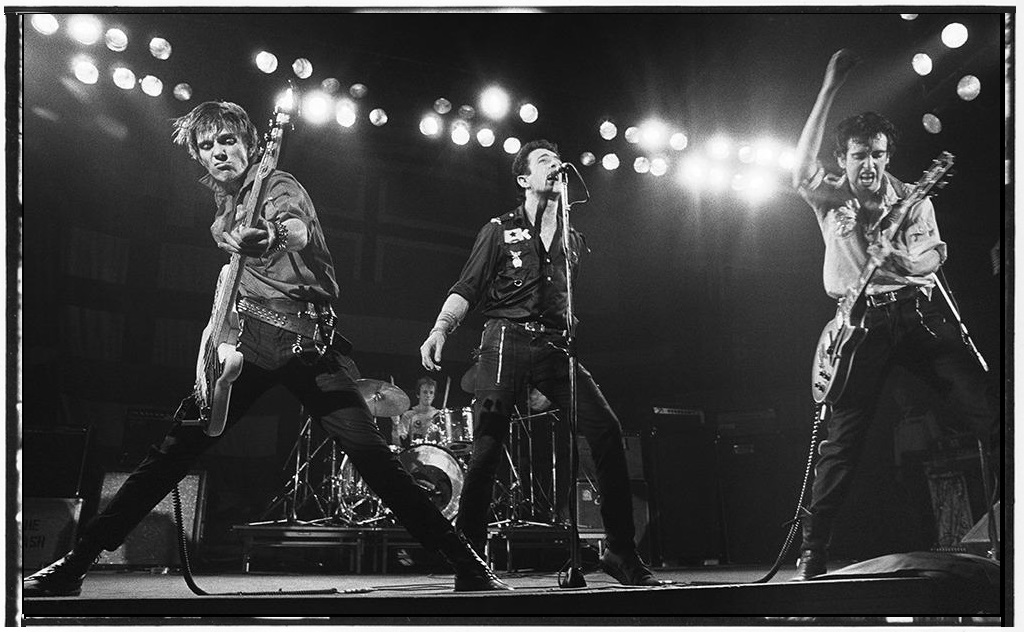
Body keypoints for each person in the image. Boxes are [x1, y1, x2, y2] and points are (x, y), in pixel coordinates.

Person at [24, 101, 509, 595]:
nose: (219, 153)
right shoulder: (222, 219)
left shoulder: (279, 185)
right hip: (249, 343)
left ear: (250, 143)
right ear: (198, 156)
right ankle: (77, 561)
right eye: (207, 146)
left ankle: (464, 560)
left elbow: (295, 230)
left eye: (228, 141)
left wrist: (269, 236)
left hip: (306, 344)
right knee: (172, 451)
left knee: (373, 457)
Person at [790, 50, 999, 580]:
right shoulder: (830, 195)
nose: (871, 165)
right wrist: (829, 84)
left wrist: (909, 260)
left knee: (994, 417)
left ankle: (1008, 535)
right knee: (843, 444)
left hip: (917, 318)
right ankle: (813, 551)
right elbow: (798, 170)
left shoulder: (912, 197)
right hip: (860, 328)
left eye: (878, 154)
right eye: (860, 154)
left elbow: (933, 253)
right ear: (844, 158)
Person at [420, 139, 662, 587]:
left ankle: (621, 553)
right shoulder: (498, 229)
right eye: (545, 162)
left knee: (606, 429)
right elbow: (467, 286)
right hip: (504, 340)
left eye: (558, 160)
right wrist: (440, 330)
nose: (555, 166)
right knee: (488, 446)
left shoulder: (572, 237)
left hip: (554, 348)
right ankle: (469, 563)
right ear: (524, 179)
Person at [393, 377, 443, 447]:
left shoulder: (439, 415)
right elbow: (397, 443)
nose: (428, 395)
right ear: (418, 394)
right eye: (425, 392)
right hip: (416, 454)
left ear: (434, 396)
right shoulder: (408, 415)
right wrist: (395, 425)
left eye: (431, 393)